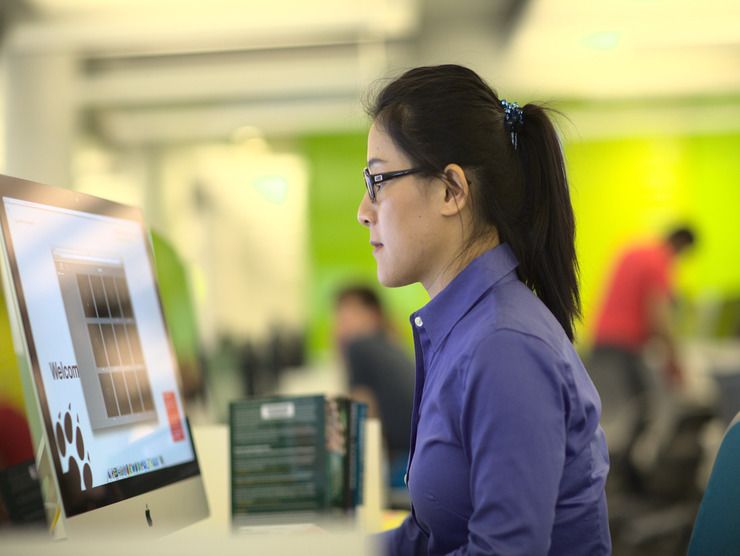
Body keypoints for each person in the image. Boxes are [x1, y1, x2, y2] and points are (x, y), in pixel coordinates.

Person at [356, 64, 610, 555]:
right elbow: (431, 536)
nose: (364, 210)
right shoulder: (465, 331)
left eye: (378, 180)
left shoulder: (503, 346)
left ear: (452, 190)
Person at [592, 227, 696, 389]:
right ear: (682, 244)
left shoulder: (636, 252)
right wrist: (674, 363)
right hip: (624, 347)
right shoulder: (659, 260)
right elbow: (659, 319)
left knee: (615, 405)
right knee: (641, 406)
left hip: (601, 342)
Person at [333, 285, 414, 491]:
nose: (340, 323)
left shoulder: (359, 345)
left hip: (401, 467)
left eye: (349, 313)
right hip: (419, 458)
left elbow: (361, 419)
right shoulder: (392, 344)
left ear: (373, 314)